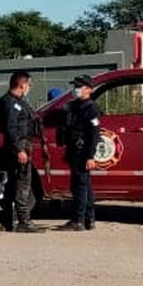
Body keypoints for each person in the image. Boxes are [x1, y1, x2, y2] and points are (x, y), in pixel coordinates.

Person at [0, 70, 42, 233]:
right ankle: (23, 221)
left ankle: (7, 221)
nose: (29, 87)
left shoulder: (14, 101)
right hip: (19, 146)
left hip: (16, 145)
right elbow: (11, 128)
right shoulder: (13, 104)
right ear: (22, 85)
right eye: (28, 84)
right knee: (22, 184)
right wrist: (20, 149)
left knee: (12, 183)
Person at [59, 75, 101, 232]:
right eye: (75, 86)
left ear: (88, 89)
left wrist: (90, 155)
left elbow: (94, 134)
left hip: (82, 151)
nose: (75, 89)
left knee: (80, 186)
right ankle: (89, 218)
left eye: (79, 87)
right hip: (73, 150)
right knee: (85, 184)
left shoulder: (91, 109)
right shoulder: (74, 106)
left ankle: (78, 220)